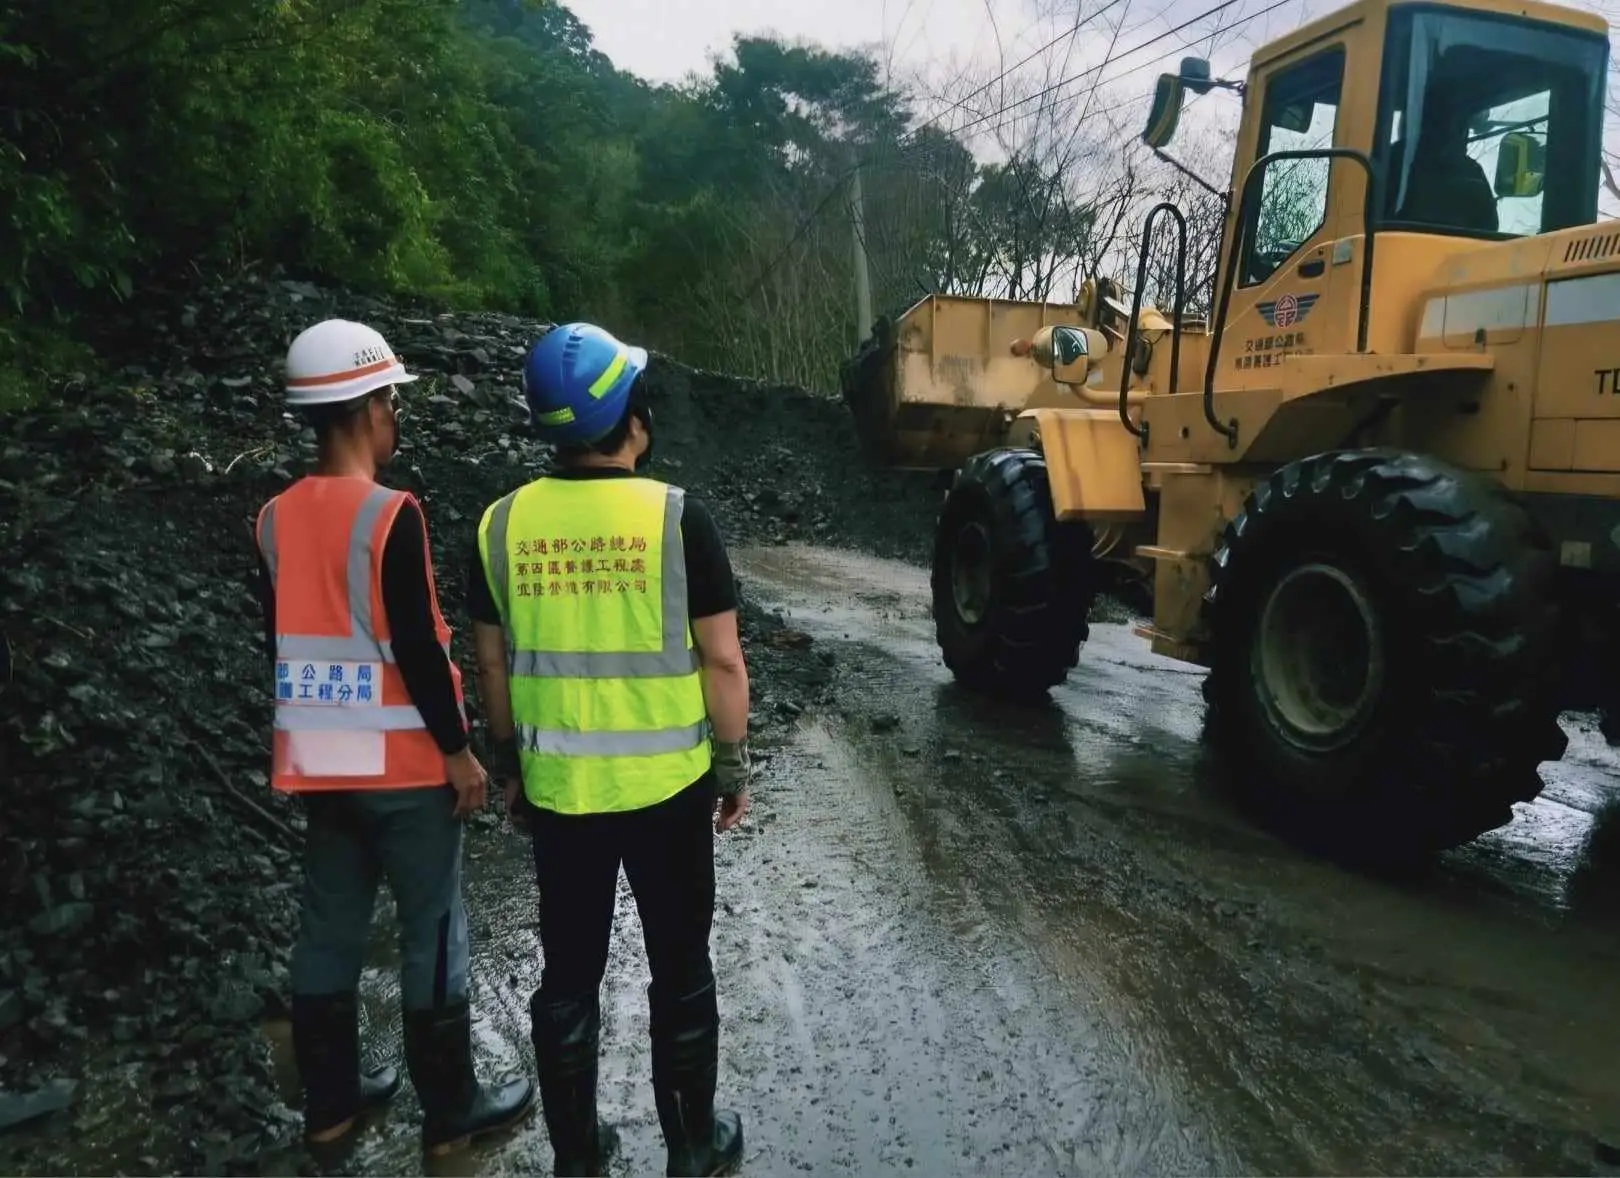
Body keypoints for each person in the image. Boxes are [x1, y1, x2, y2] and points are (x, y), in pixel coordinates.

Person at [467, 322, 753, 1177]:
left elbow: (491, 662)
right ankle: (692, 1150)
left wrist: (511, 764)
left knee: (569, 977)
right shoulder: (678, 519)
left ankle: (579, 1159)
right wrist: (731, 765)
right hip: (669, 792)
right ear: (632, 418)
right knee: (679, 967)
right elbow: (724, 659)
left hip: (562, 797)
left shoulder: (500, 525)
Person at [252, 318, 535, 1156]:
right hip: (406, 769)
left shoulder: (271, 518)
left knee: (329, 926)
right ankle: (451, 1113)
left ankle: (331, 1107)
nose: (395, 417)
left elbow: (284, 642)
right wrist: (459, 753)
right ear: (367, 407)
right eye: (390, 401)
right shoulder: (390, 516)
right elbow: (416, 644)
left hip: (320, 763)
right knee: (433, 928)